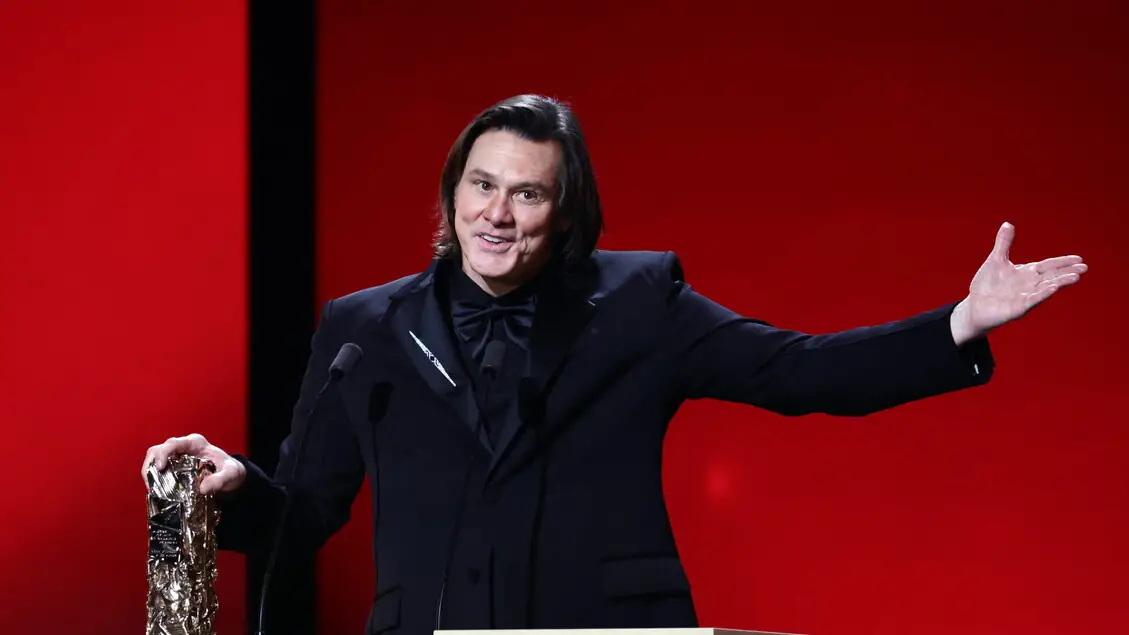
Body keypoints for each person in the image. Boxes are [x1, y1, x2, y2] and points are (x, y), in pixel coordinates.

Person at [142, 94, 1087, 635]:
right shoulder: (365, 327)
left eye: (526, 193)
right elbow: (306, 514)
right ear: (452, 190)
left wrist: (960, 322)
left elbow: (803, 372)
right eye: (480, 184)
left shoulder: (639, 305)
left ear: (566, 212)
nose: (495, 213)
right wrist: (238, 487)